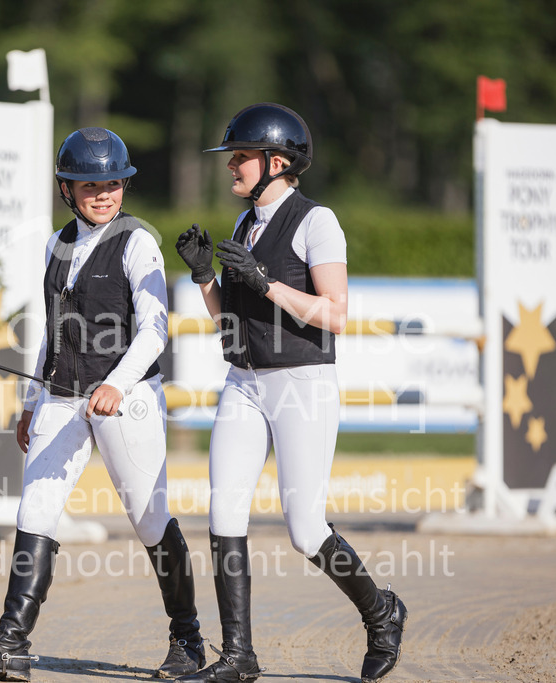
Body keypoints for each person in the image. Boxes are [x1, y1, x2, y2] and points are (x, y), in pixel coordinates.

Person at [0, 127, 205, 681]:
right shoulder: (56, 243)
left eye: (113, 183)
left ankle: (189, 640)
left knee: (149, 518)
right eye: (91, 186)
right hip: (62, 394)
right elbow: (52, 331)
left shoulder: (138, 242)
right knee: (34, 508)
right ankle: (11, 643)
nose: (104, 194)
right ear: (67, 189)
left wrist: (120, 383)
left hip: (125, 400)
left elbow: (156, 330)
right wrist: (34, 397)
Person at [173, 103, 407, 683]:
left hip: (301, 383)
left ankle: (381, 614)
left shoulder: (316, 221)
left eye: (241, 157)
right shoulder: (242, 225)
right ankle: (238, 656)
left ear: (277, 162)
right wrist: (207, 278)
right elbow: (231, 325)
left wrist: (265, 281)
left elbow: (336, 314)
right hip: (244, 382)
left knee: (304, 528)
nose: (231, 165)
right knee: (223, 511)